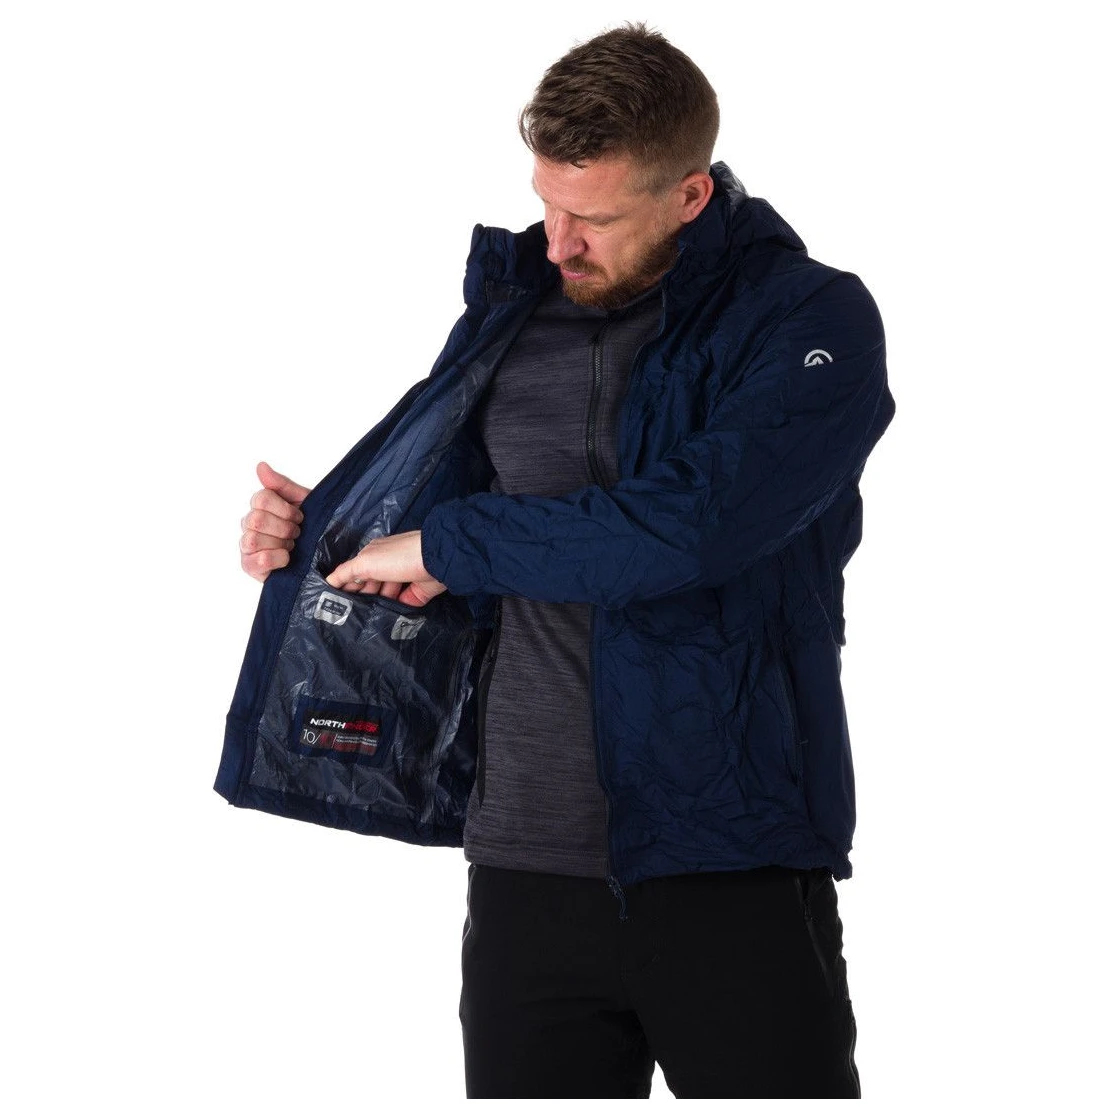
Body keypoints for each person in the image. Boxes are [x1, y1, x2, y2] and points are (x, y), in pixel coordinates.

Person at [222, 23, 894, 1098]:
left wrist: (448, 542)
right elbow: (453, 532)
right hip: (522, 863)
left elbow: (690, 526)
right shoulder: (515, 312)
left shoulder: (809, 319)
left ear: (689, 195)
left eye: (593, 218)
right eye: (546, 203)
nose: (558, 241)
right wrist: (318, 539)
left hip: (729, 858)